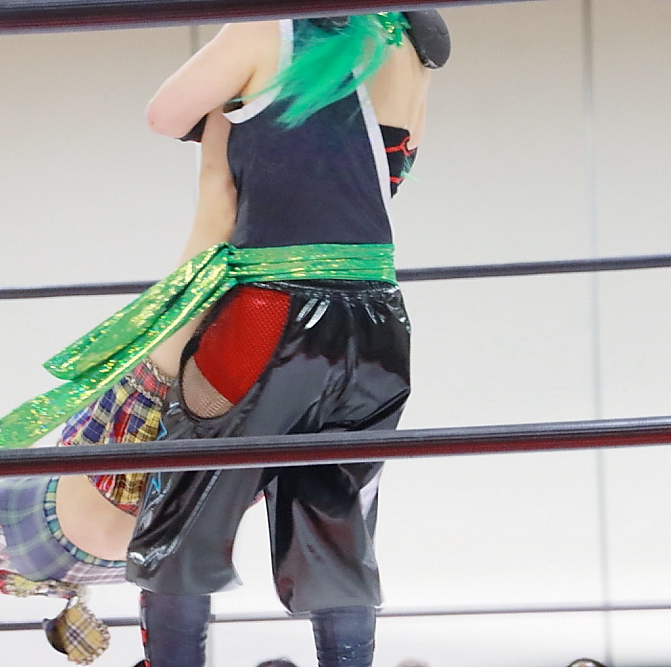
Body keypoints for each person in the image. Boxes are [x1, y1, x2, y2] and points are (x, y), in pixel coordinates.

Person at [0, 111, 239, 666]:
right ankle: (225, 113)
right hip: (136, 478)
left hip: (165, 496)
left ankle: (232, 133)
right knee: (203, 253)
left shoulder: (22, 542)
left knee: (205, 288)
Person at [121, 12, 448, 667]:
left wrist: (228, 116)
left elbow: (163, 114)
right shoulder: (412, 43)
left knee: (182, 515)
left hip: (270, 313)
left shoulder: (263, 32)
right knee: (337, 523)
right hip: (379, 323)